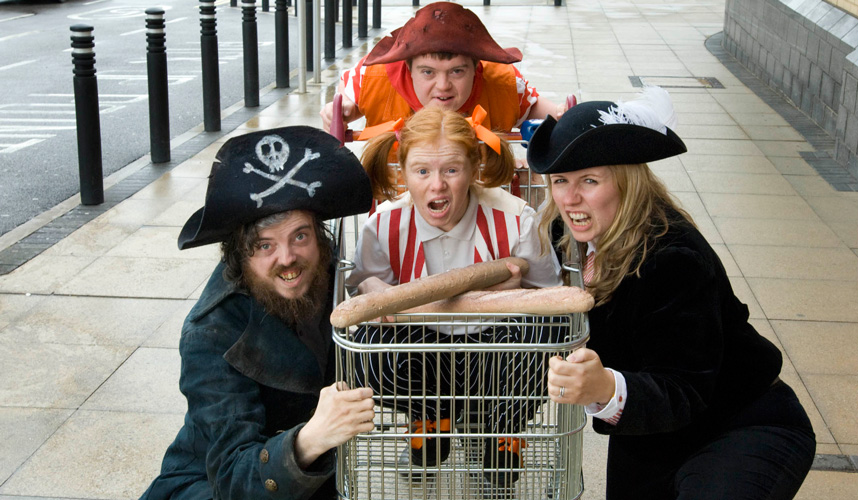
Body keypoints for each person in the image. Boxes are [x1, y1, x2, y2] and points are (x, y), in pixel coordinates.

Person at [529, 88, 816, 499]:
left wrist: (604, 388)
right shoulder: (566, 233)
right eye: (560, 181)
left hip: (740, 422)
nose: (570, 198)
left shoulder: (673, 257)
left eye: (589, 180)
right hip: (653, 432)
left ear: (627, 182)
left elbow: (686, 388)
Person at [140, 126, 376, 500]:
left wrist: (374, 289)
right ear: (240, 254)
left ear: (319, 237)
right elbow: (233, 478)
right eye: (265, 245)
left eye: (300, 236)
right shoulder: (212, 332)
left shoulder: (327, 276)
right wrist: (311, 438)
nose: (288, 259)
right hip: (213, 487)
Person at [346, 106, 565, 486]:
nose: (437, 186)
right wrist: (375, 290)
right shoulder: (384, 225)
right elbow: (363, 287)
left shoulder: (516, 219)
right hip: (420, 351)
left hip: (498, 348)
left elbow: (551, 297)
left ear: (474, 166)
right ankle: (430, 418)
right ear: (403, 171)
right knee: (365, 346)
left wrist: (511, 295)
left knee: (547, 336)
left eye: (451, 170)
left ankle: (504, 425)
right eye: (422, 171)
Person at [320, 2, 564, 134]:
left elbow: (541, 112)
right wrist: (342, 108)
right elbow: (348, 90)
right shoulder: (373, 77)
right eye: (428, 72)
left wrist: (566, 115)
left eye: (457, 71)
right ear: (408, 67)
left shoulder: (504, 83)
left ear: (477, 66)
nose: (443, 85)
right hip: (396, 214)